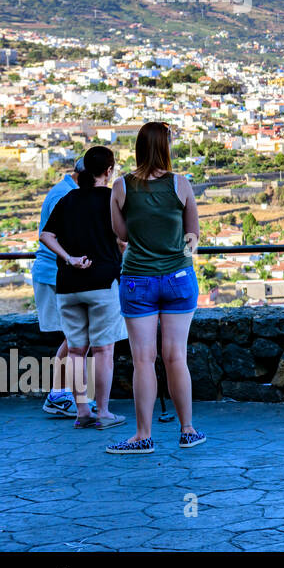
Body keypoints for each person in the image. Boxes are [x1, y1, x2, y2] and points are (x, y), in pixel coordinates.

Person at [107, 122, 202, 454]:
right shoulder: (181, 184)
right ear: (166, 147)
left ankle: (143, 436)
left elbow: (122, 235)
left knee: (143, 360)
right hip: (178, 278)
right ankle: (187, 430)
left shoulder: (120, 187)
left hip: (137, 280)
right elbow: (193, 235)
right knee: (176, 357)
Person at [39, 146, 127, 431]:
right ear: (109, 170)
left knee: (76, 351)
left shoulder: (67, 199)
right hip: (102, 283)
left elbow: (45, 235)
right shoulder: (113, 199)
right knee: (103, 351)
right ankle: (103, 411)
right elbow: (123, 240)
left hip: (68, 284)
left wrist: (69, 259)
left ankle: (82, 413)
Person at [32, 159, 80, 418]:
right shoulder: (65, 195)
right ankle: (59, 395)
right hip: (55, 275)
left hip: (57, 274)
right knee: (75, 338)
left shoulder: (63, 191)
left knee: (76, 338)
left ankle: (68, 393)